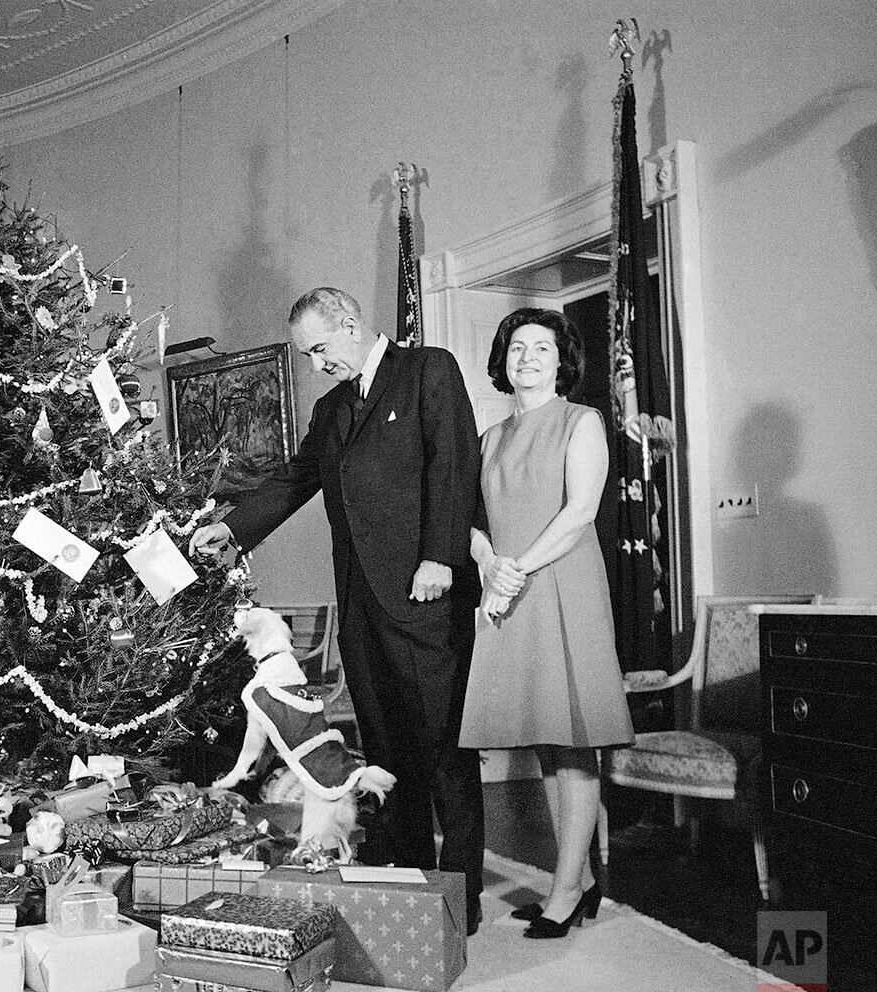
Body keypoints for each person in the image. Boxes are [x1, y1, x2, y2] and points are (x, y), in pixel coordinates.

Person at [191, 286, 485, 931]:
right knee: (384, 748)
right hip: (360, 602)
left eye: (321, 348)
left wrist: (440, 558)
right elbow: (298, 480)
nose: (318, 364)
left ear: (350, 325)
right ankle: (409, 877)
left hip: (424, 592)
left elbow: (454, 465)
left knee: (441, 746)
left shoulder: (427, 370)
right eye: (309, 355)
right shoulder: (330, 409)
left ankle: (462, 896)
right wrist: (234, 530)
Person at [459, 307, 635, 939]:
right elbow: (472, 521)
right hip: (509, 589)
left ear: (563, 360)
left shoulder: (581, 421)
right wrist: (489, 565)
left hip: (562, 584)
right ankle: (578, 879)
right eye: (516, 348)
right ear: (503, 361)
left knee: (573, 737)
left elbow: (581, 511)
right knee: (543, 734)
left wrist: (517, 569)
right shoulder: (489, 438)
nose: (527, 358)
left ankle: (566, 890)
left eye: (541, 348)